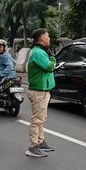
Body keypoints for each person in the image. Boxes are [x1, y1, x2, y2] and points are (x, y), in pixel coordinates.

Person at [25, 29, 57, 158]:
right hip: (38, 91)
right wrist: (53, 59)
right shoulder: (38, 53)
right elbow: (49, 67)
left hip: (43, 90)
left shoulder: (40, 51)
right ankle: (33, 146)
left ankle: (40, 141)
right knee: (37, 120)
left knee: (41, 119)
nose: (49, 38)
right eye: (47, 36)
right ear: (41, 38)